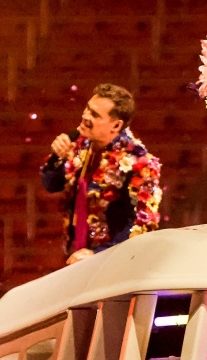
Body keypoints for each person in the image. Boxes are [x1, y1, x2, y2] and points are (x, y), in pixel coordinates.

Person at [41, 84, 162, 265]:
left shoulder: (139, 162)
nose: (85, 116)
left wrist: (98, 254)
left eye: (95, 115)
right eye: (87, 109)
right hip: (75, 258)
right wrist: (56, 159)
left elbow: (141, 226)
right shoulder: (80, 144)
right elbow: (52, 185)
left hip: (112, 265)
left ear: (116, 125)